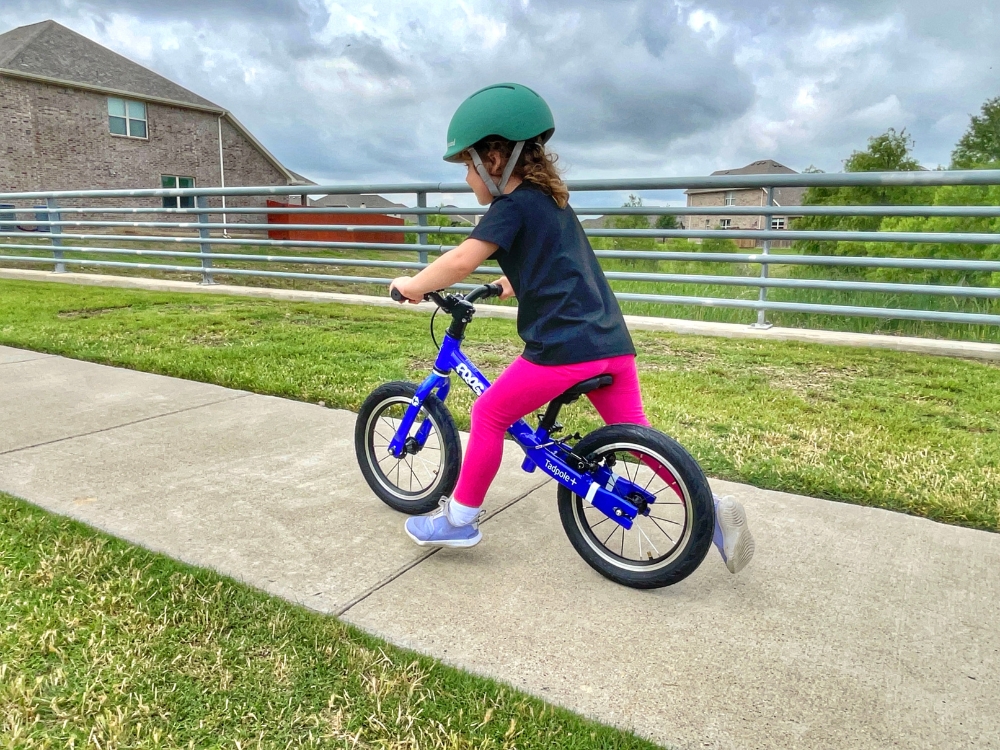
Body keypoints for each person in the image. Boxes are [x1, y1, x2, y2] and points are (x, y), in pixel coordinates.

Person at [389, 83, 754, 574]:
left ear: (494, 159)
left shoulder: (510, 208)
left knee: (491, 412)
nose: (469, 179)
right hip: (611, 345)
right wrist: (504, 286)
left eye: (468, 167)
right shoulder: (553, 204)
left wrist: (412, 285)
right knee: (637, 437)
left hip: (564, 349)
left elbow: (458, 261)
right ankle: (710, 513)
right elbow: (554, 266)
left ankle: (459, 518)